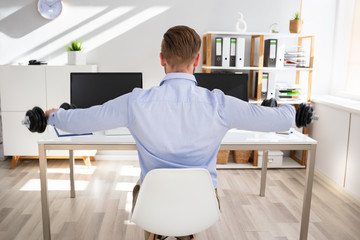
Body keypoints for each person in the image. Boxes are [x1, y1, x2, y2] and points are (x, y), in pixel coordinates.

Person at [46, 25, 295, 240]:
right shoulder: (219, 104)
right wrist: (291, 109)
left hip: (152, 207)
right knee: (197, 193)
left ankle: (157, 232)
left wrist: (52, 116)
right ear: (196, 61)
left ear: (162, 59)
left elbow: (84, 120)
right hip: (202, 206)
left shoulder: (136, 102)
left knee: (141, 189)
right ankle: (187, 231)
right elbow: (280, 120)